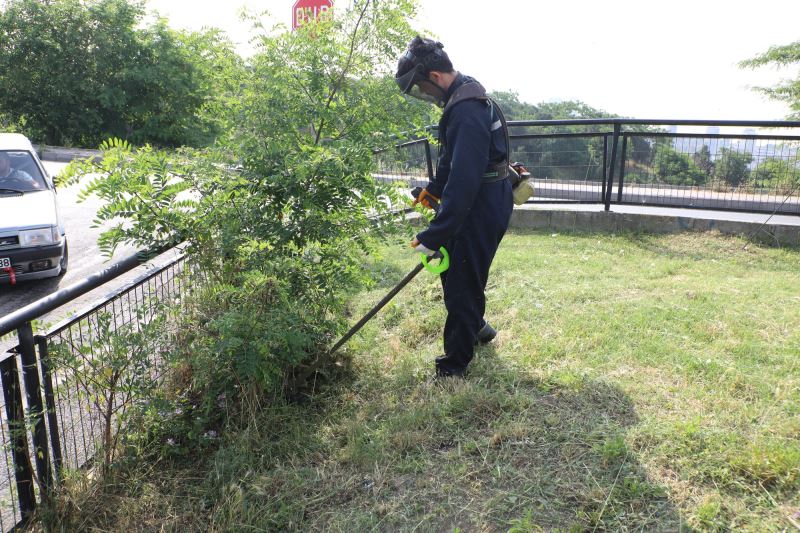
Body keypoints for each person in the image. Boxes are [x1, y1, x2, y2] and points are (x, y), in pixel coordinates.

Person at [395, 37, 514, 378]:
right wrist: (431, 194)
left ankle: (454, 365)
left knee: (463, 279)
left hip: (483, 202)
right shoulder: (461, 95)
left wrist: (435, 234)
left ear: (435, 75)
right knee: (460, 272)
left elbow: (464, 184)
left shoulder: (465, 110)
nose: (424, 95)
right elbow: (451, 161)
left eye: (421, 88)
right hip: (485, 198)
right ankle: (477, 328)